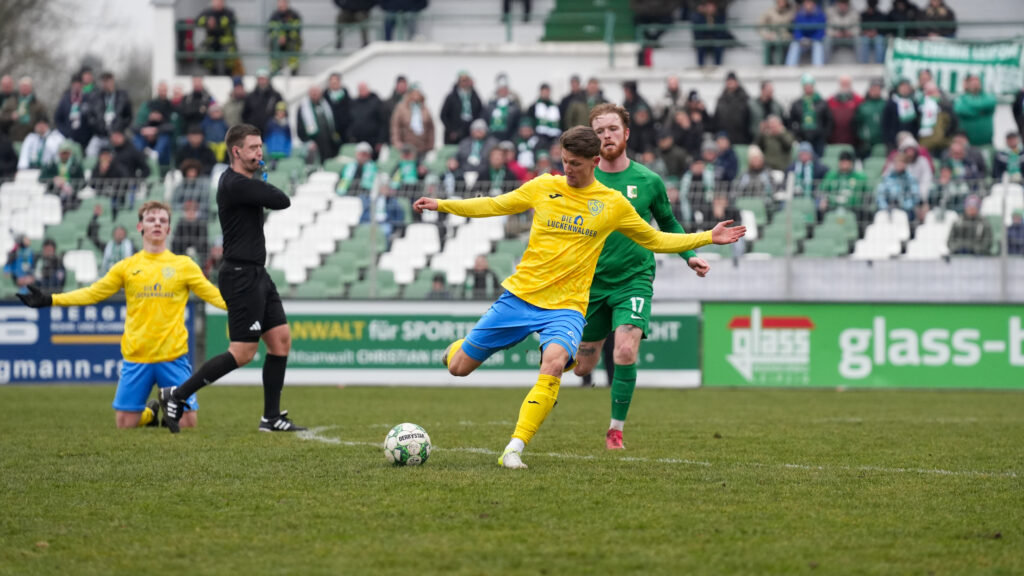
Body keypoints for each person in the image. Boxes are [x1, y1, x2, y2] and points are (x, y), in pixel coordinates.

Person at [412, 126, 744, 468]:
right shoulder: (544, 186)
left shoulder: (612, 204)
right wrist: (442, 204)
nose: (567, 169)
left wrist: (706, 237)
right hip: (520, 297)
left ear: (595, 162)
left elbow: (655, 239)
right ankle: (457, 349)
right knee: (458, 368)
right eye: (564, 161)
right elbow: (496, 204)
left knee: (554, 364)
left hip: (567, 307)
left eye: (575, 164)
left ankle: (513, 449)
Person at [17, 201, 226, 429]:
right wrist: (51, 299)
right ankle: (151, 413)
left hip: (173, 356)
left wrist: (250, 308)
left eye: (163, 220)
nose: (157, 223)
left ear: (168, 229)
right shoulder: (126, 267)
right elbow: (93, 293)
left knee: (188, 424)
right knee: (125, 423)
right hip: (137, 356)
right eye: (151, 219)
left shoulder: (184, 265)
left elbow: (214, 296)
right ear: (140, 226)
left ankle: (171, 405)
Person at [574, 103, 711, 450]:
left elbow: (668, 224)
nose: (606, 136)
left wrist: (689, 256)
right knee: (579, 367)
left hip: (634, 278)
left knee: (625, 349)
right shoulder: (579, 180)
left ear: (626, 134)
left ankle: (615, 431)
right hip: (590, 283)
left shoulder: (648, 181)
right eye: (599, 131)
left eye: (612, 129)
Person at [159, 124, 303, 434]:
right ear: (236, 152)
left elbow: (274, 199)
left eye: (260, 147)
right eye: (253, 148)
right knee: (243, 353)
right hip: (240, 276)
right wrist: (262, 177)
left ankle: (271, 417)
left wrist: (260, 175)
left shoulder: (244, 181)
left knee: (280, 341)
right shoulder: (235, 183)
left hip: (257, 274)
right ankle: (177, 395)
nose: (259, 153)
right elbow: (281, 200)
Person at [88, 71, 133, 156]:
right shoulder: (96, 97)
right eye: (103, 81)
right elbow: (91, 117)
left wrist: (119, 129)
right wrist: (98, 128)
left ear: (113, 81)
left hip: (117, 134)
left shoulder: (122, 97)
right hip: (100, 135)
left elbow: (128, 116)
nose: (105, 84)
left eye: (108, 81)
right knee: (91, 151)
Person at [788, 74, 831, 158]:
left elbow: (829, 120)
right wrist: (797, 134)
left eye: (810, 86)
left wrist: (824, 134)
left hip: (818, 139)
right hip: (803, 138)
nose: (808, 89)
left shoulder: (822, 103)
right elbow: (791, 121)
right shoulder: (797, 104)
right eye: (806, 86)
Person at [297, 85, 341, 163]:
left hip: (327, 142)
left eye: (316, 92)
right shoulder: (304, 107)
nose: (315, 94)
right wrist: (307, 141)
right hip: (313, 143)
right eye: (312, 92)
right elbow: (300, 127)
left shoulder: (325, 104)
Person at [196, 0, 241, 76]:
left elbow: (231, 21)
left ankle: (228, 73)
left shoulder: (229, 12)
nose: (217, 4)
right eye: (215, 2)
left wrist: (216, 23)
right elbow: (197, 21)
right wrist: (207, 22)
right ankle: (213, 72)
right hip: (212, 41)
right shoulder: (207, 12)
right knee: (201, 54)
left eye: (220, 2)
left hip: (226, 41)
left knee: (229, 55)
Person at [390, 83, 435, 158]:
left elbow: (431, 127)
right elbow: (395, 126)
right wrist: (397, 142)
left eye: (418, 93)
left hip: (422, 147)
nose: (416, 95)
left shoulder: (424, 109)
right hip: (406, 147)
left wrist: (430, 144)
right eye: (413, 93)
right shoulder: (401, 108)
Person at [440, 71, 483, 146]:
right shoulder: (451, 97)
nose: (465, 83)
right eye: (463, 81)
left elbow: (480, 113)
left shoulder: (475, 96)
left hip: (470, 132)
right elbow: (443, 115)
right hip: (454, 133)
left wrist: (476, 130)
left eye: (467, 80)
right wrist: (451, 130)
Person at [0, 76, 48, 143]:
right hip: (12, 139)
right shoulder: (10, 102)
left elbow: (44, 120)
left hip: (32, 140)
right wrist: (11, 117)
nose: (24, 88)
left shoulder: (38, 105)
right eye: (23, 86)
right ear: (19, 88)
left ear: (31, 88)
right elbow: (2, 117)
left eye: (27, 86)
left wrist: (39, 126)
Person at [954, 74, 997, 149]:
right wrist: (980, 112)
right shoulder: (961, 99)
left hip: (986, 144)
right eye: (972, 81)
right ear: (966, 84)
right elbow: (960, 109)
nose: (975, 83)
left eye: (977, 80)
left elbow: (991, 103)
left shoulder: (988, 97)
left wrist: (972, 108)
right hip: (968, 145)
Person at [41, 140, 85, 211]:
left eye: (66, 153)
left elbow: (82, 182)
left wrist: (71, 186)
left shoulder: (76, 165)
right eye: (63, 153)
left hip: (71, 194)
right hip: (55, 192)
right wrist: (54, 179)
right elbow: (42, 178)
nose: (64, 155)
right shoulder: (52, 164)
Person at [876, 154, 920, 222]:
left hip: (906, 210)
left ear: (905, 164)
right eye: (896, 162)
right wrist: (885, 207)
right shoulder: (887, 178)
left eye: (901, 162)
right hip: (888, 208)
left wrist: (905, 205)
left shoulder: (910, 179)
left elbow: (915, 196)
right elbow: (880, 194)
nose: (898, 164)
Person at [917, 81, 955, 157]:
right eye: (928, 92)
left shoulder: (945, 105)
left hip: (943, 143)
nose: (930, 94)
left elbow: (953, 122)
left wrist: (946, 134)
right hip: (926, 143)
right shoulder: (921, 106)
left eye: (932, 91)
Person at [786, 0, 827, 67]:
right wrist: (801, 38)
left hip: (815, 40)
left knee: (818, 45)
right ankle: (789, 68)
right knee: (794, 44)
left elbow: (821, 31)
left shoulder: (820, 14)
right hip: (802, 41)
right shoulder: (799, 15)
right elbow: (797, 30)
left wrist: (812, 39)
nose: (808, 5)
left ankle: (818, 68)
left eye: (810, 2)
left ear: (814, 4)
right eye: (806, 3)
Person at [349, 82, 387, 152]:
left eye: (363, 89)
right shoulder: (354, 103)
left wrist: (381, 140)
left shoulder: (376, 102)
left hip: (374, 140)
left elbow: (383, 122)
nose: (362, 91)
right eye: (360, 89)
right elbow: (350, 121)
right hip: (359, 140)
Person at [714, 72, 751, 145]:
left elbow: (749, 119)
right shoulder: (721, 99)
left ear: (737, 82)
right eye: (728, 81)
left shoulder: (745, 99)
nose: (730, 83)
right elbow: (716, 119)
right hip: (725, 138)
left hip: (741, 138)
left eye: (732, 81)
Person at [883, 78, 919, 151]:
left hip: (910, 140)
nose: (905, 89)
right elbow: (885, 123)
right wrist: (889, 140)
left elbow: (916, 123)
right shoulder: (891, 103)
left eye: (907, 87)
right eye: (902, 87)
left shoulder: (913, 103)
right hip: (894, 141)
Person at [267, 0, 302, 75]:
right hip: (278, 40)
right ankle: (276, 69)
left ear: (287, 3)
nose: (282, 4)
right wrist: (280, 36)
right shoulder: (274, 16)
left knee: (294, 43)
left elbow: (296, 30)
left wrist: (286, 37)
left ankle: (293, 69)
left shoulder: (294, 15)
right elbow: (271, 29)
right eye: (280, 2)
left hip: (290, 41)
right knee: (273, 44)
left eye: (283, 2)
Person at [855, 78, 886, 159]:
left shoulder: (885, 105)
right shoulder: (863, 106)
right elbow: (857, 123)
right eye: (873, 89)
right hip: (867, 144)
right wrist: (862, 136)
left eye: (877, 89)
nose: (875, 91)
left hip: (882, 142)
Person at [484, 76, 522, 143]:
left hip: (509, 138)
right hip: (492, 138)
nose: (503, 92)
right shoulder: (490, 105)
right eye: (501, 90)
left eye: (505, 89)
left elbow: (517, 123)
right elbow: (485, 120)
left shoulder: (514, 106)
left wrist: (512, 138)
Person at [757, 0, 795, 66]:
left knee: (789, 46)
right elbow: (759, 25)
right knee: (769, 45)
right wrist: (767, 35)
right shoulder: (770, 11)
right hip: (773, 37)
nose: (782, 2)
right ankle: (769, 66)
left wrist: (792, 34)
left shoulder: (791, 11)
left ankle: (785, 66)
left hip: (786, 38)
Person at [827, 75, 861, 147]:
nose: (845, 85)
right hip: (835, 139)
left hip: (853, 140)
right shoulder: (831, 101)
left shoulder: (858, 100)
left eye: (847, 83)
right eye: (843, 83)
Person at [171, 199, 209, 264]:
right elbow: (176, 244)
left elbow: (204, 244)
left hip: (199, 258)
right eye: (188, 210)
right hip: (182, 258)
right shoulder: (180, 224)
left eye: (193, 210)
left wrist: (195, 250)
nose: (191, 212)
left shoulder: (202, 225)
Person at [526, 83, 562, 150]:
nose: (545, 93)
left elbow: (561, 122)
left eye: (547, 91)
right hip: (539, 136)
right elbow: (529, 121)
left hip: (554, 137)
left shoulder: (556, 107)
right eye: (544, 91)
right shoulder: (534, 107)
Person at [324, 73, 351, 146]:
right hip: (330, 133)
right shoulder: (324, 98)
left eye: (336, 82)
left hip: (345, 132)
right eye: (332, 82)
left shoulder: (346, 96)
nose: (334, 84)